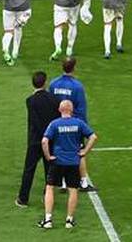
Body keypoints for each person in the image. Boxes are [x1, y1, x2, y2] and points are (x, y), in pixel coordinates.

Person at [39, 99, 97, 229]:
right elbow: (93, 137)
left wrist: (48, 157)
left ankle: (48, 220)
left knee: (49, 188)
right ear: (71, 110)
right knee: (73, 190)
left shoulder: (54, 124)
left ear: (59, 110)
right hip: (73, 162)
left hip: (58, 161)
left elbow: (44, 141)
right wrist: (84, 152)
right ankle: (69, 220)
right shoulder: (79, 123)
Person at [49, 57, 94, 190]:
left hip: (57, 123)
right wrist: (83, 128)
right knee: (79, 152)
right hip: (73, 124)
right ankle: (84, 182)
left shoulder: (53, 84)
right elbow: (81, 109)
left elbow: (51, 104)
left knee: (60, 150)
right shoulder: (77, 86)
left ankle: (62, 182)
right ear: (74, 68)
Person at [18, 71, 60, 208]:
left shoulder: (30, 101)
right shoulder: (54, 99)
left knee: (29, 169)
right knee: (49, 170)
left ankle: (23, 198)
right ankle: (47, 196)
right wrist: (49, 136)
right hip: (50, 140)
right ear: (45, 82)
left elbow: (35, 122)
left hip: (36, 140)